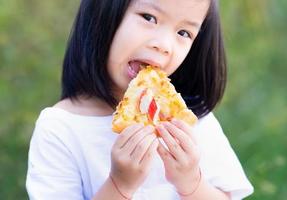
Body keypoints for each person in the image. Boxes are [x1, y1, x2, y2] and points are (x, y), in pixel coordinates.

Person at [26, 0, 254, 199]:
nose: (163, 45)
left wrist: (191, 182)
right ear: (102, 14)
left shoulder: (193, 121)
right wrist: (119, 185)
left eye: (184, 32)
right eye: (149, 17)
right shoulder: (60, 129)